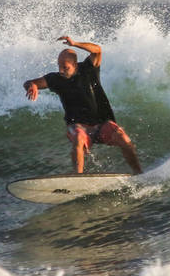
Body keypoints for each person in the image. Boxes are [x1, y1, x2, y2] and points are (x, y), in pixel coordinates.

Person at [23, 36, 143, 174]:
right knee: (79, 137)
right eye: (59, 66)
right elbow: (30, 83)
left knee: (123, 137)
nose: (61, 70)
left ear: (75, 65)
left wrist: (75, 43)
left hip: (101, 124)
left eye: (65, 67)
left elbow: (97, 50)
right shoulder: (55, 79)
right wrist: (31, 85)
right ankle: (78, 178)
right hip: (78, 126)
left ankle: (139, 174)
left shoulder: (88, 69)